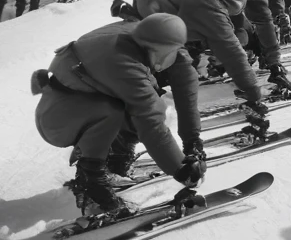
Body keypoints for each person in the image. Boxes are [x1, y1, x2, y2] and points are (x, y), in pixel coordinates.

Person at [32, 13, 206, 213]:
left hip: (75, 106)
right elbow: (151, 122)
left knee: (130, 107)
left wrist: (192, 139)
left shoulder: (150, 35)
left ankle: (114, 162)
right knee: (117, 111)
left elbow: (185, 85)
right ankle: (92, 182)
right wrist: (181, 169)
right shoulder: (123, 61)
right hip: (57, 122)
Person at [122, 0, 266, 107]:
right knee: (176, 60)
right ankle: (149, 93)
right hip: (157, 17)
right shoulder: (209, 6)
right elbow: (231, 51)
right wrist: (251, 89)